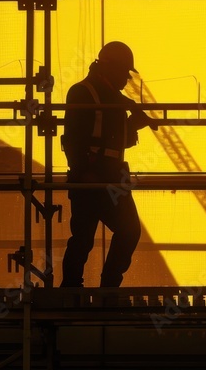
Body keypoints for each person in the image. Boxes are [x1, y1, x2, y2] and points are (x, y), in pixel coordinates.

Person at [60, 41, 156, 288]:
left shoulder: (115, 99)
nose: (126, 79)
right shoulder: (82, 92)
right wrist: (84, 173)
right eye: (124, 72)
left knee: (129, 231)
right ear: (108, 68)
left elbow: (116, 139)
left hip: (113, 174)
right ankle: (71, 288)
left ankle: (109, 286)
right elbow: (73, 139)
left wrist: (133, 123)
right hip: (91, 176)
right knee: (83, 238)